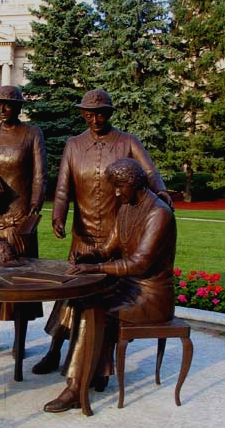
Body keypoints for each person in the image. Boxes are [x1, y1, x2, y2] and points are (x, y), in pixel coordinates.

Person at [32, 89, 172, 376]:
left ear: (109, 114)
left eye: (101, 113)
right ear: (82, 114)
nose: (95, 119)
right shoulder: (73, 145)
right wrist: (58, 215)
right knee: (71, 293)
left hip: (115, 232)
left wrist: (162, 192)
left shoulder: (127, 142)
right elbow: (62, 188)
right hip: (83, 236)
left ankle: (94, 366)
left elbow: (149, 173)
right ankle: (55, 350)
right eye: (89, 113)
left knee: (101, 299)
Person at [44, 158, 176, 412]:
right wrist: (88, 256)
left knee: (91, 313)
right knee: (76, 298)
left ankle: (75, 388)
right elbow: (108, 248)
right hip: (126, 287)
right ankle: (93, 370)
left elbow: (140, 264)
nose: (115, 193)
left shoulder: (159, 214)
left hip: (150, 296)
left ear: (134, 183)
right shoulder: (127, 206)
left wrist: (95, 268)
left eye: (119, 187)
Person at [0, 85, 47, 329]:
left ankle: (20, 339)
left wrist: (33, 209)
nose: (3, 109)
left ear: (19, 107)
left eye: (9, 104)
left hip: (19, 220)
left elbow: (39, 177)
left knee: (20, 282)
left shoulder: (32, 133)